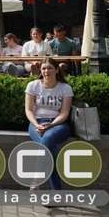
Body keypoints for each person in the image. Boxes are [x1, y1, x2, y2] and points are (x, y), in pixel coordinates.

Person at [25, 58, 73, 190]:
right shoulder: (33, 85)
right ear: (40, 71)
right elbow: (29, 110)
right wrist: (36, 125)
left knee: (48, 138)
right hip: (36, 123)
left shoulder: (65, 88)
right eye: (44, 68)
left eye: (50, 68)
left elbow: (64, 113)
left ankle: (36, 177)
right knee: (50, 151)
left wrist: (51, 125)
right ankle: (57, 194)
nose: (46, 71)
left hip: (58, 124)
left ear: (56, 70)